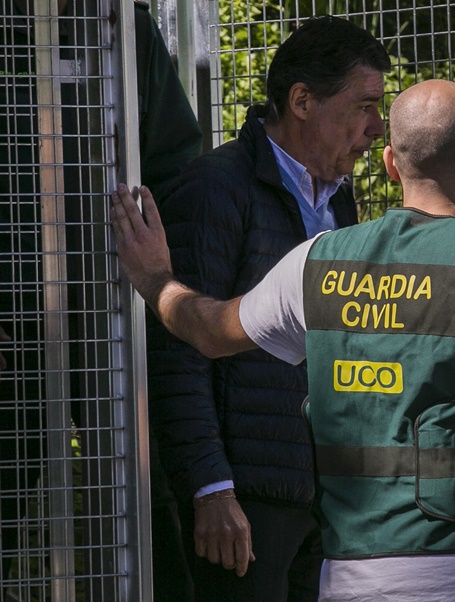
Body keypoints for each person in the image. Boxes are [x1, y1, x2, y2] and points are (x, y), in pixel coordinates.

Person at [111, 78, 455, 602]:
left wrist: (155, 280)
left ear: (393, 165)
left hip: (349, 579)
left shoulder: (320, 259)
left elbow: (210, 332)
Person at [144, 14, 391, 602]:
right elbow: (177, 350)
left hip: (324, 501)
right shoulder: (216, 188)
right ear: (302, 100)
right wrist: (211, 487)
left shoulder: (342, 200)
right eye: (364, 106)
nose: (377, 128)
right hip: (242, 508)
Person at [0, 1, 202, 597]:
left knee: (139, 488)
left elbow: (176, 165)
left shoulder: (122, 24)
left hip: (109, 312)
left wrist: (161, 275)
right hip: (12, 319)